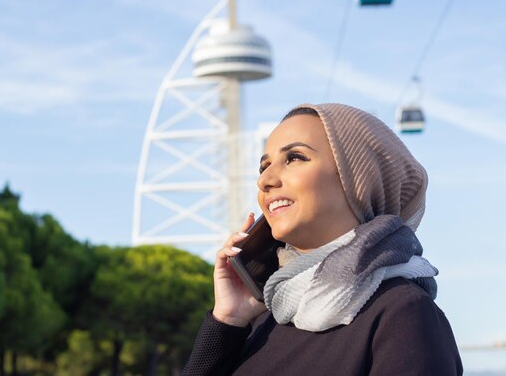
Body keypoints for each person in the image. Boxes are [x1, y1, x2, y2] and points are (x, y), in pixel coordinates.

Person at [182, 103, 463, 376]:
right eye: (263, 166)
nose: (265, 180)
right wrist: (227, 322)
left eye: (294, 158)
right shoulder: (264, 317)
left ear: (357, 179)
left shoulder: (402, 313)